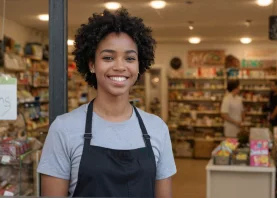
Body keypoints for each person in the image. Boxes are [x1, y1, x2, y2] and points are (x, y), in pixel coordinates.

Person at [37, 9, 177, 197]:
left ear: (139, 65)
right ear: (92, 64)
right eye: (108, 57)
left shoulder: (157, 128)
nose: (120, 66)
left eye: (129, 58)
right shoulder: (64, 129)